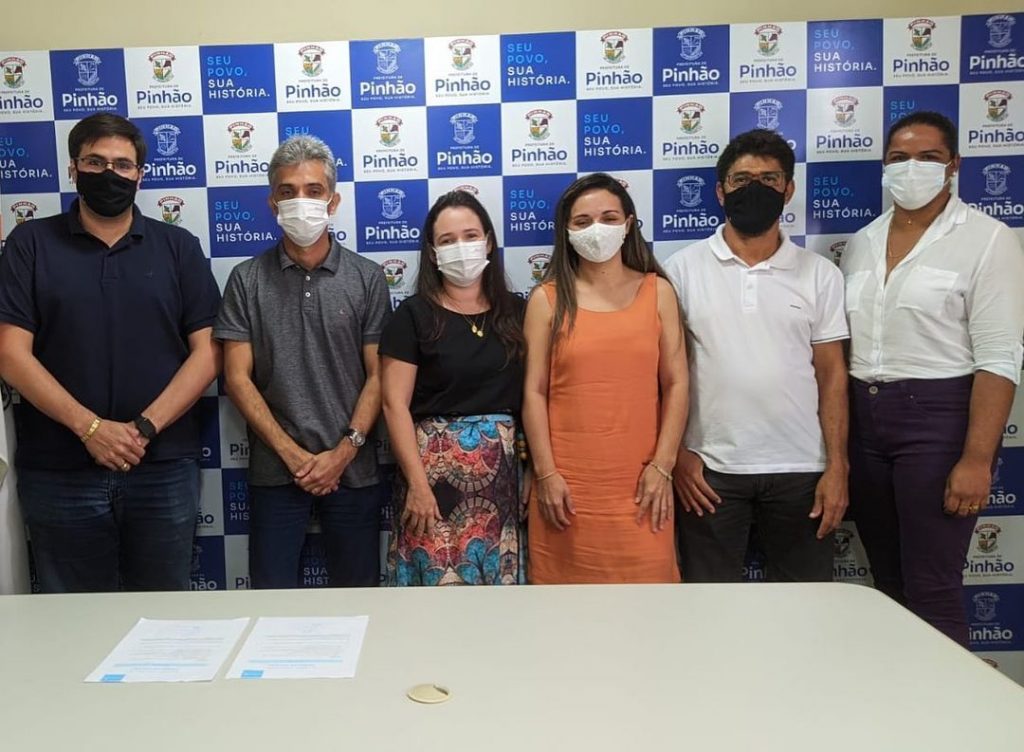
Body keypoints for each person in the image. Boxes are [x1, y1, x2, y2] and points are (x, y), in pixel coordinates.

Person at [0, 113, 222, 593]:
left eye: (123, 165)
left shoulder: (179, 247)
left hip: (161, 465)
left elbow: (208, 352)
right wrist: (91, 429)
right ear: (73, 169)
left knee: (165, 615)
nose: (109, 174)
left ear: (141, 175)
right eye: (95, 162)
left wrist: (142, 429)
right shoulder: (29, 244)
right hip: (59, 469)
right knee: (72, 618)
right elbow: (11, 353)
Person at [842, 111, 1024, 646]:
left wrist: (976, 458)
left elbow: (999, 357)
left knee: (932, 586)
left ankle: (946, 699)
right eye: (899, 158)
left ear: (953, 165)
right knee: (887, 584)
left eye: (928, 157)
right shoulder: (863, 241)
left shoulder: (987, 240)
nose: (911, 168)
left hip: (938, 423)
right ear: (884, 167)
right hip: (864, 421)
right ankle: (896, 690)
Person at [665, 129, 849, 583]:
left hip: (802, 470)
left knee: (806, 609)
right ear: (720, 191)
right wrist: (678, 455)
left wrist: (837, 467)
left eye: (769, 179)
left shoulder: (820, 274)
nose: (756, 188)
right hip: (709, 471)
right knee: (709, 607)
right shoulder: (680, 270)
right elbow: (663, 375)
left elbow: (832, 376)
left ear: (789, 189)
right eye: (742, 179)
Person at [215, 135, 390, 588]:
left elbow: (380, 376)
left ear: (334, 201)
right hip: (276, 471)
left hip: (353, 469)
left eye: (314, 191)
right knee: (272, 602)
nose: (301, 201)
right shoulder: (246, 280)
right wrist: (293, 456)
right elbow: (236, 378)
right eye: (288, 191)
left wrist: (343, 452)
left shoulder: (368, 278)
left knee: (359, 599)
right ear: (272, 202)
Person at [523, 173, 687, 584]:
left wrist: (664, 466)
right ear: (566, 231)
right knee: (564, 612)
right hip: (566, 491)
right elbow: (533, 392)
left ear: (628, 224)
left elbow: (677, 384)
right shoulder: (546, 300)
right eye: (582, 221)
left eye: (609, 218)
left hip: (644, 488)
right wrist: (545, 474)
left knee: (649, 610)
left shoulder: (658, 293)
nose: (596, 229)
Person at [380, 190, 526, 585]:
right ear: (432, 253)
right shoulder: (413, 315)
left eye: (470, 236)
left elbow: (532, 400)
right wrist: (417, 485)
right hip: (431, 480)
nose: (461, 247)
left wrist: (531, 472)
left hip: (500, 482)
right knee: (434, 593)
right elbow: (393, 404)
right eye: (447, 240)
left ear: (488, 241)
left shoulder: (517, 313)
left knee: (495, 590)